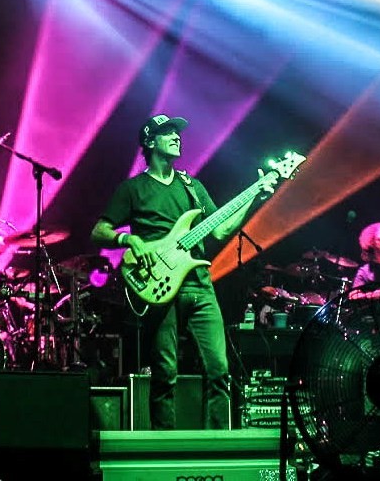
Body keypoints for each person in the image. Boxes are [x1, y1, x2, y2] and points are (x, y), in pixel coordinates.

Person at [90, 114, 269, 429]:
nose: (177, 137)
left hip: (200, 286)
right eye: (168, 132)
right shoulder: (133, 189)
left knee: (219, 369)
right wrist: (128, 239)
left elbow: (220, 229)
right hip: (160, 286)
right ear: (150, 141)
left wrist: (254, 196)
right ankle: (165, 444)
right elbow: (99, 231)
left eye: (178, 132)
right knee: (165, 373)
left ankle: (217, 442)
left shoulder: (192, 186)